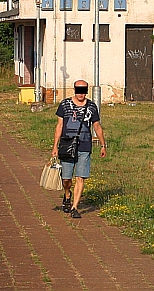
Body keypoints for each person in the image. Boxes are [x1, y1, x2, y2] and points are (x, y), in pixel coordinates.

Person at [51, 80, 106, 218]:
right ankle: (67, 194)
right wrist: (55, 146)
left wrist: (103, 145)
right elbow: (59, 126)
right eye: (78, 90)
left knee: (80, 177)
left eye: (83, 90)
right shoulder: (64, 104)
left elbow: (97, 126)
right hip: (67, 145)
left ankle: (74, 207)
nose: (81, 94)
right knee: (66, 179)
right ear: (74, 90)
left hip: (84, 145)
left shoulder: (92, 107)